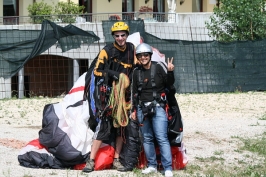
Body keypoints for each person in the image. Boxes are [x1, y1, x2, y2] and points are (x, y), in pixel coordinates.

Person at [82, 21, 137, 173]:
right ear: (113, 36)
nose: (120, 38)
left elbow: (136, 65)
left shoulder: (131, 48)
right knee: (104, 127)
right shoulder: (107, 50)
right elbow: (97, 71)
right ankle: (91, 161)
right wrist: (116, 75)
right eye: (117, 36)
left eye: (123, 35)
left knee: (120, 126)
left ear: (127, 35)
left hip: (125, 95)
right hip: (108, 94)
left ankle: (117, 160)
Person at [130, 43, 175, 177]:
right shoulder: (136, 72)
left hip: (158, 107)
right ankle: (152, 165)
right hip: (142, 108)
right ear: (137, 57)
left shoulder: (159, 67)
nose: (143, 58)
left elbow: (170, 84)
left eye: (145, 55)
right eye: (140, 56)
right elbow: (134, 92)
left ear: (150, 55)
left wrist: (171, 71)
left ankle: (167, 168)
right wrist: (133, 109)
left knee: (161, 137)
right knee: (147, 138)